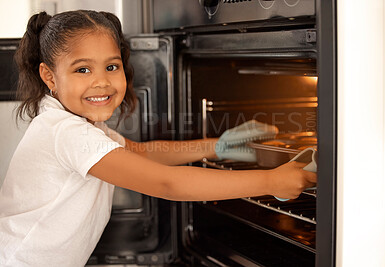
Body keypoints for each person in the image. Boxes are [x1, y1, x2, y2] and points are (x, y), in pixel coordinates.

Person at [0, 10, 317, 267]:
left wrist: (217, 146)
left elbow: (139, 154)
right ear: (49, 77)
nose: (102, 82)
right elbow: (167, 183)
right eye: (83, 70)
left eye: (112, 66)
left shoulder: (72, 124)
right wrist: (270, 182)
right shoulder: (66, 133)